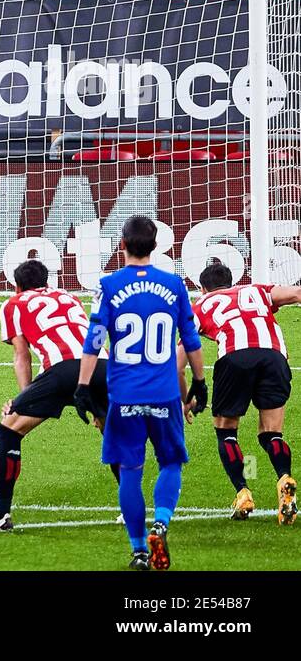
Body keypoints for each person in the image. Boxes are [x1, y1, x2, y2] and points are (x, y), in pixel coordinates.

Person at [76, 215, 208, 570]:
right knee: (171, 462)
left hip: (125, 395)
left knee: (130, 469)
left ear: (122, 245)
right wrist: (199, 381)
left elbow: (95, 339)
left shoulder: (108, 286)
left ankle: (137, 551)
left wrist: (83, 386)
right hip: (165, 393)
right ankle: (161, 523)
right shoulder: (175, 285)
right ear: (155, 246)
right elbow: (191, 339)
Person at [0, 259, 113, 532]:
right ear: (48, 281)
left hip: (63, 370)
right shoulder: (69, 297)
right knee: (113, 433)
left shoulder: (14, 304)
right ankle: (131, 510)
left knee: (8, 430)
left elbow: (21, 357)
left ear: (17, 286)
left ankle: (0, 516)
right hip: (102, 366)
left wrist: (24, 397)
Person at [189, 262, 298, 524]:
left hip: (235, 357)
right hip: (274, 357)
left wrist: (190, 389)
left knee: (226, 431)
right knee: (272, 432)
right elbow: (295, 293)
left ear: (203, 288)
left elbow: (186, 340)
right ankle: (284, 478)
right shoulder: (256, 291)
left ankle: (243, 491)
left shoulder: (202, 304)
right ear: (232, 281)